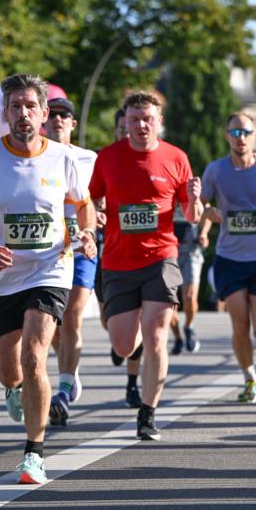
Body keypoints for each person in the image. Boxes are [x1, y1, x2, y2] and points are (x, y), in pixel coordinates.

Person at [0, 73, 97, 484]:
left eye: (30, 106)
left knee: (35, 355)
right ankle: (13, 388)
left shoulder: (63, 157)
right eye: (15, 106)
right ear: (5, 113)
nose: (23, 113)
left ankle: (34, 453)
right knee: (11, 369)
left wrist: (88, 232)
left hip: (50, 267)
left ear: (43, 113)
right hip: (2, 275)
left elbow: (83, 205)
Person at [89, 90, 202, 441]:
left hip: (161, 258)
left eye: (148, 119)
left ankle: (148, 413)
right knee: (124, 345)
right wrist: (94, 215)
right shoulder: (108, 157)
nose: (141, 125)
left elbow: (192, 215)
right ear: (125, 121)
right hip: (118, 261)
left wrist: (194, 200)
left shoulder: (176, 157)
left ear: (159, 121)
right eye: (134, 119)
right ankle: (132, 340)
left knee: (157, 336)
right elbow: (90, 198)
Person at [201, 111, 256, 404]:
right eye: (235, 133)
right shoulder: (215, 170)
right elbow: (200, 205)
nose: (241, 138)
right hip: (229, 257)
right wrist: (209, 213)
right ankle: (250, 379)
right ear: (228, 136)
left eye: (246, 132)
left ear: (254, 135)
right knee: (239, 323)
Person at [43, 96, 98, 426]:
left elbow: (102, 195)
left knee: (73, 315)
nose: (58, 119)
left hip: (80, 248)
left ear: (73, 123)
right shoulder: (34, 157)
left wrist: (99, 214)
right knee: (54, 326)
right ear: (44, 121)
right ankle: (70, 369)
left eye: (65, 115)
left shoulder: (90, 158)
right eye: (53, 114)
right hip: (47, 251)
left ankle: (62, 390)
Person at [94, 107, 143, 409]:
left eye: (132, 126)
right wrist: (95, 209)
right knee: (108, 320)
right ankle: (118, 338)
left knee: (139, 322)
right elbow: (87, 198)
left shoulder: (148, 158)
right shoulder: (104, 159)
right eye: (123, 128)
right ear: (116, 131)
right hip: (108, 253)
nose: (128, 132)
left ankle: (132, 383)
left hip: (141, 256)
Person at [168, 204, 209, 355]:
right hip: (168, 250)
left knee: (190, 297)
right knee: (168, 302)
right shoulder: (165, 191)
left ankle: (189, 326)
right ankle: (178, 337)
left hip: (191, 250)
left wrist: (204, 233)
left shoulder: (193, 192)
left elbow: (207, 212)